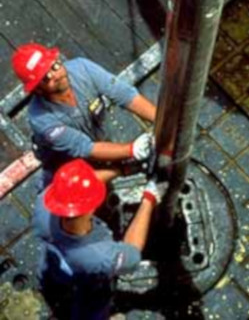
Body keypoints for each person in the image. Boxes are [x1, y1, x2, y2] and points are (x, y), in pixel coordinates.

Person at [33, 158, 166, 320]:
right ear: (90, 208)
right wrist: (149, 199)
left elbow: (79, 186)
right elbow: (133, 250)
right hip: (86, 289)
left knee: (55, 291)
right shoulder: (99, 256)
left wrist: (122, 171)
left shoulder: (44, 203)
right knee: (92, 309)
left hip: (51, 272)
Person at [11, 43, 157, 187]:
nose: (56, 75)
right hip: (69, 165)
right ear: (38, 90)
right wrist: (133, 150)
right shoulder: (41, 119)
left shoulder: (83, 68)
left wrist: (163, 122)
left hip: (97, 139)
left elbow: (126, 96)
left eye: (55, 66)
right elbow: (85, 148)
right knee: (76, 189)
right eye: (46, 77)